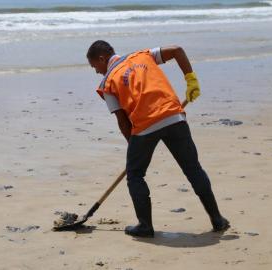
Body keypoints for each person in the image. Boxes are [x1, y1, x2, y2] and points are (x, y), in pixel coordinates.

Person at [86, 40, 230, 238]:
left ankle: (145, 226)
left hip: (144, 126)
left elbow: (122, 121)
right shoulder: (143, 55)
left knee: (135, 175)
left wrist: (134, 147)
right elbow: (178, 50)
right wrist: (191, 79)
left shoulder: (107, 83)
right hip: (174, 116)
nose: (96, 72)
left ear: (102, 59)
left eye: (95, 66)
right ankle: (217, 219)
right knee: (193, 168)